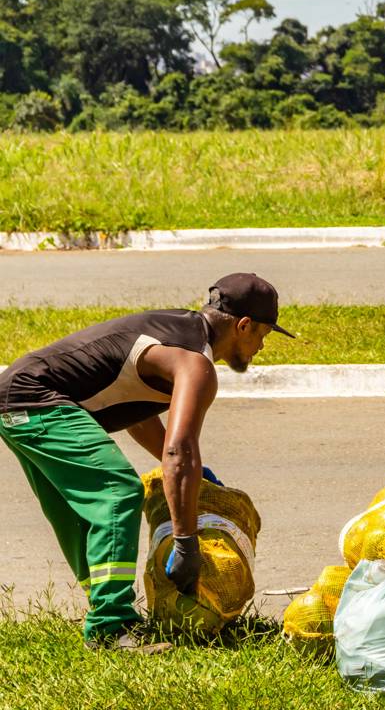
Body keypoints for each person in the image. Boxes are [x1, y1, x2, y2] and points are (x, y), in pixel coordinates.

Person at [0, 273, 292, 649]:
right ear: (244, 325)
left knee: (77, 512)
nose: (261, 347)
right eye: (263, 336)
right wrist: (186, 542)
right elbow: (179, 449)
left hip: (16, 398)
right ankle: (109, 627)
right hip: (36, 400)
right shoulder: (195, 363)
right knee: (118, 492)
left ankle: (107, 609)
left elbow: (137, 413)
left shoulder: (177, 331)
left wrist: (193, 473)